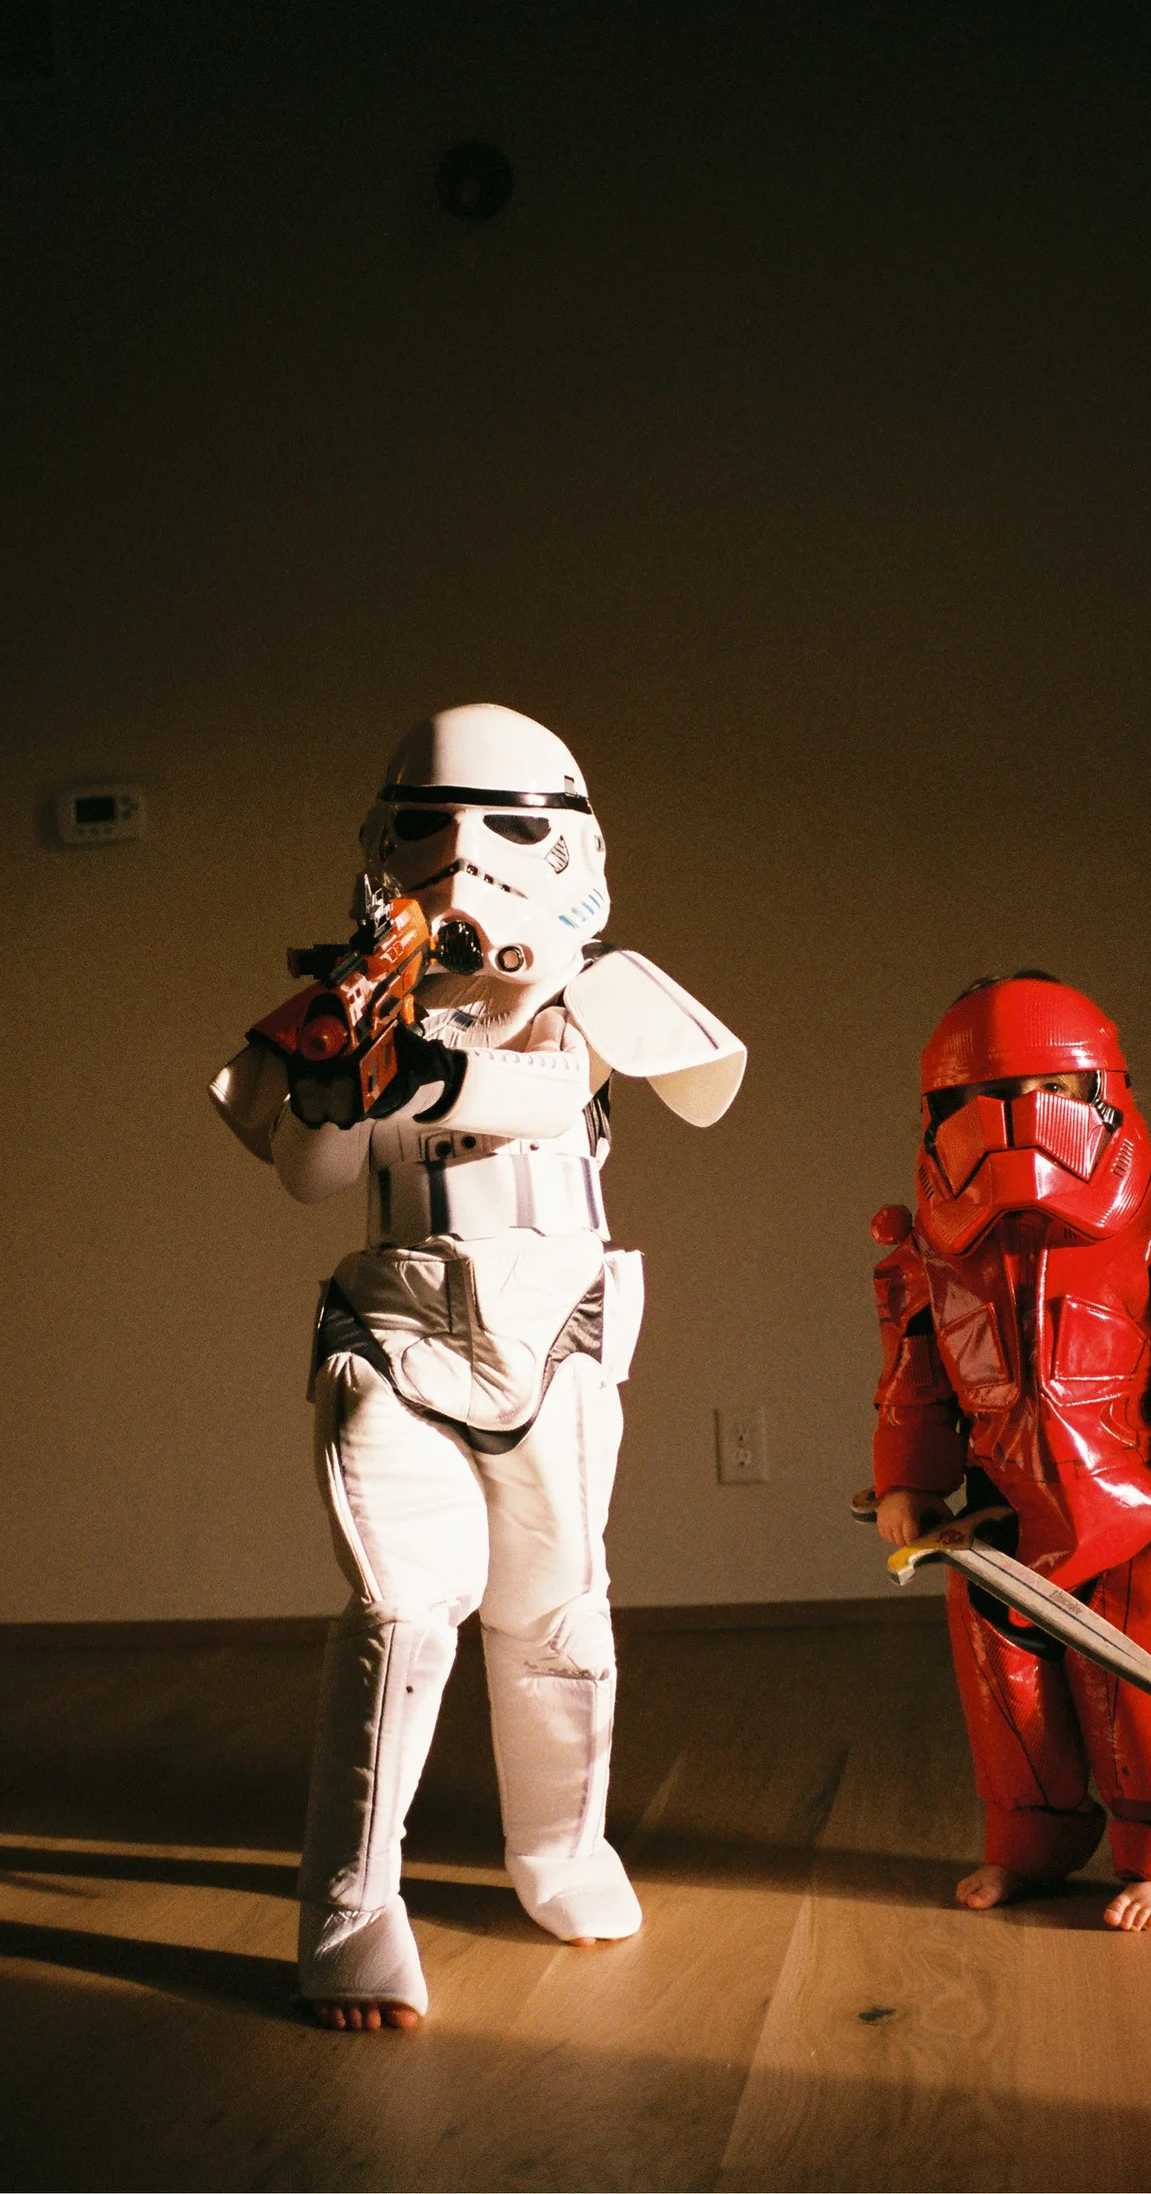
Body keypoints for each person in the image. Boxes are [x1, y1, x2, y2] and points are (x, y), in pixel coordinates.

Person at [211, 702, 744, 2025]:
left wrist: (407, 1068)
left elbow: (550, 1090)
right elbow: (308, 1169)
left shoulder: (590, 997)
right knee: (402, 1608)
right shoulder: (356, 1003)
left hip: (549, 1335)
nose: (464, 861)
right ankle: (350, 1908)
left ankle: (560, 1851)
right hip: (395, 1331)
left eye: (503, 827)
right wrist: (338, 1062)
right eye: (430, 829)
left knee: (554, 1614)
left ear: (570, 848)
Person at [870, 971, 1151, 1933]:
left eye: (1049, 1088)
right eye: (991, 1094)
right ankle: (1028, 1846)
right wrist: (908, 1481)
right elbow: (913, 1381)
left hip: (1141, 1504)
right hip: (998, 1516)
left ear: (1100, 1093)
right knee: (1008, 1696)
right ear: (944, 1109)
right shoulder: (930, 1252)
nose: (1020, 1117)